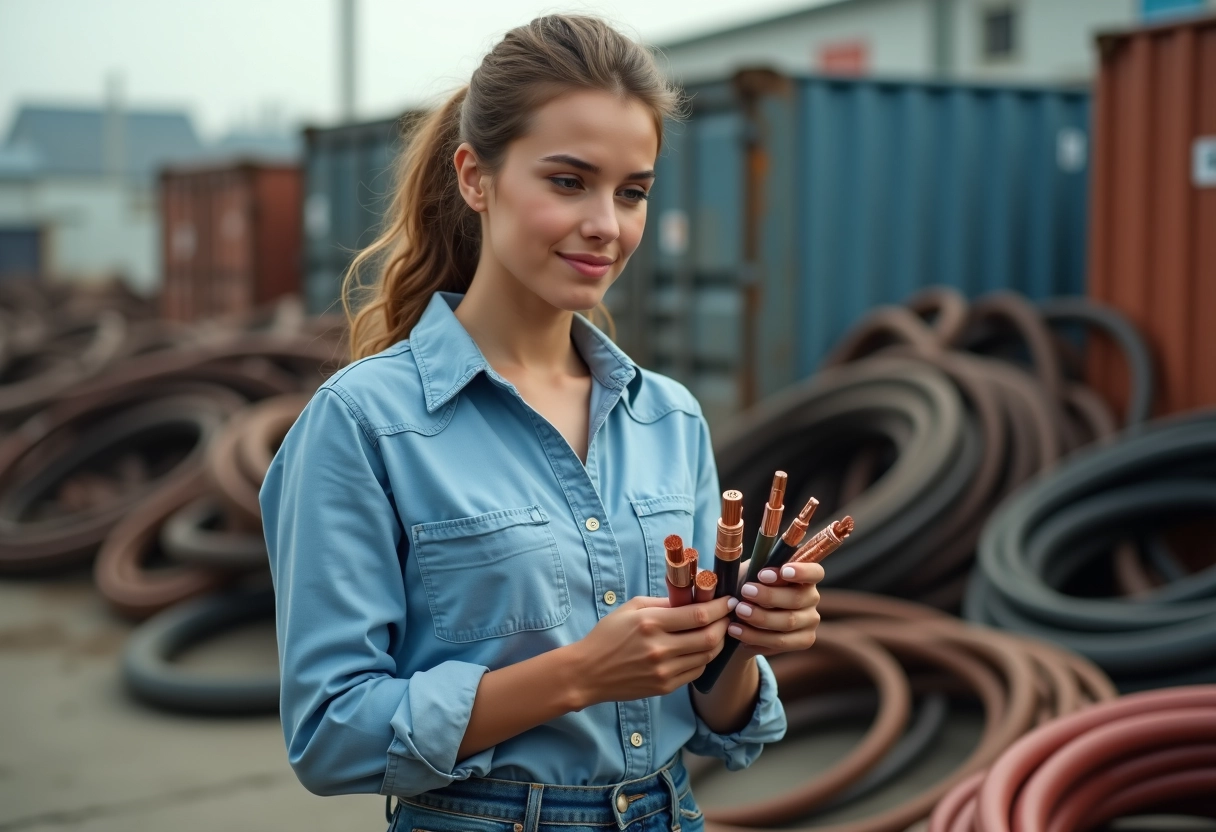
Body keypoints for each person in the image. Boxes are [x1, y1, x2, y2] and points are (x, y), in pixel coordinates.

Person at [259, 14, 825, 832]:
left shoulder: (667, 416)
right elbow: (329, 734)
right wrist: (579, 675)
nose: (607, 224)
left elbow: (712, 713)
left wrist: (741, 643)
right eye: (568, 181)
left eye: (632, 192)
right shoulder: (363, 424)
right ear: (475, 177)